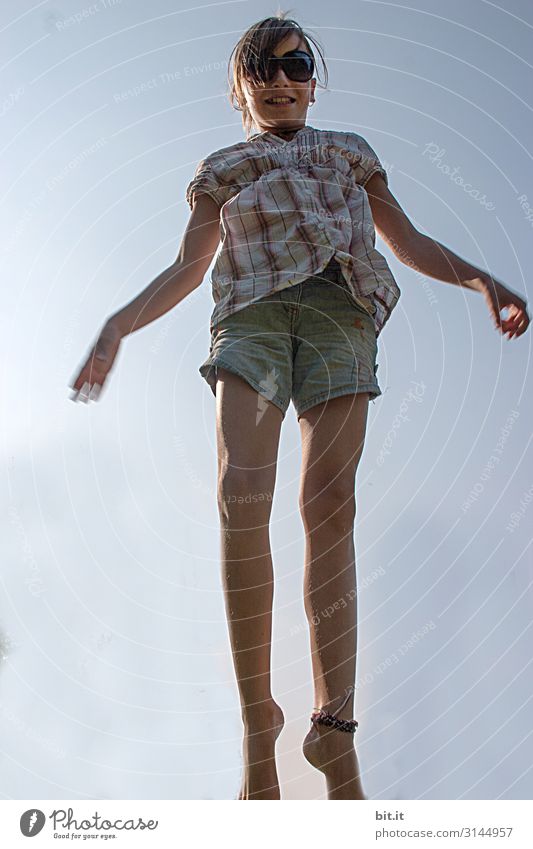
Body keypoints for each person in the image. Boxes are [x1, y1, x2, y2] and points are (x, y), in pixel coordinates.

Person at [69, 14, 530, 800]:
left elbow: (408, 239)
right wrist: (117, 324)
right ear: (241, 82)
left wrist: (479, 277)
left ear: (314, 77)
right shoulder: (223, 167)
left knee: (330, 500)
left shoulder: (350, 153)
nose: (282, 78)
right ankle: (259, 714)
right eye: (264, 65)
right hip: (249, 315)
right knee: (238, 492)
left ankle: (335, 722)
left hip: (339, 314)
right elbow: (188, 267)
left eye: (297, 63)